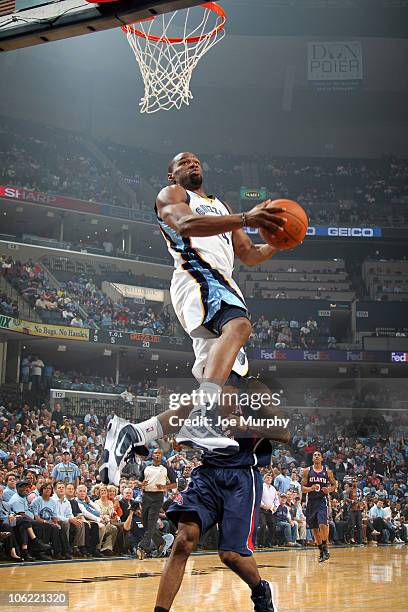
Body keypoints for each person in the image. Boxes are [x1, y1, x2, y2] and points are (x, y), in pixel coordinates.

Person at [100, 152, 294, 612]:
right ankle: (203, 417)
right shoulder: (172, 196)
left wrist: (280, 242)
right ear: (173, 174)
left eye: (196, 159)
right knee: (241, 327)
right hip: (197, 279)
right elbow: (184, 226)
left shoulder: (222, 205)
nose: (192, 162)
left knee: (221, 381)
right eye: (182, 161)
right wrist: (246, 215)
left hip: (219, 282)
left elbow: (247, 253)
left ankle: (136, 432)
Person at [135, 448, 177, 559]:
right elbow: (138, 481)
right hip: (146, 496)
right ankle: (160, 542)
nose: (157, 455)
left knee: (151, 521)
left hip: (158, 496)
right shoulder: (146, 467)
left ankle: (141, 547)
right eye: (155, 453)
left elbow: (174, 484)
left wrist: (164, 487)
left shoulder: (166, 468)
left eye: (159, 453)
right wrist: (141, 484)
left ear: (162, 455)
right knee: (145, 522)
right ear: (152, 455)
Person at [302, 450, 337, 562]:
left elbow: (334, 485)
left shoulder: (328, 472)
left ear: (322, 459)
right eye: (315, 455)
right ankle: (321, 550)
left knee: (323, 523)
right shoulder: (307, 471)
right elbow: (302, 488)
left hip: (322, 501)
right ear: (313, 458)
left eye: (318, 455)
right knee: (314, 528)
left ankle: (325, 547)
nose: (316, 456)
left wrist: (329, 489)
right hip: (311, 501)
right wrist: (310, 488)